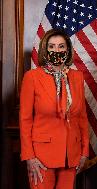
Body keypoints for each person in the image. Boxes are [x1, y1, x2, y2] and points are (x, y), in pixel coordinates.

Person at [19, 29, 89, 189]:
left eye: (61, 46)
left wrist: (84, 151)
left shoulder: (77, 77)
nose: (56, 51)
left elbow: (82, 117)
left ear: (68, 50)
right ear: (45, 50)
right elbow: (25, 119)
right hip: (41, 157)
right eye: (52, 47)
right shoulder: (32, 77)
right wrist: (29, 156)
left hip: (71, 155)